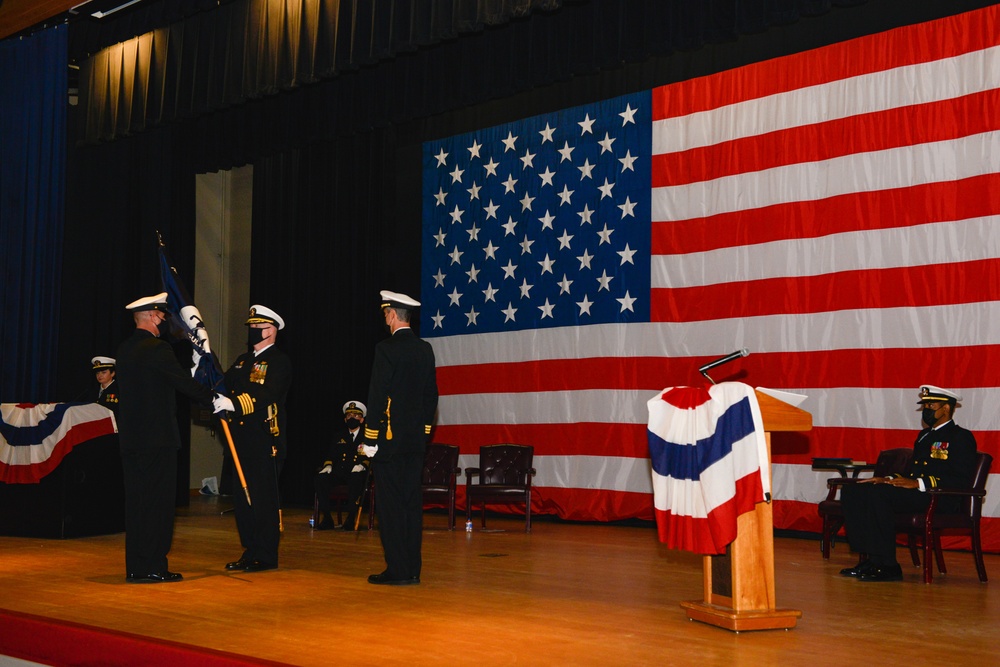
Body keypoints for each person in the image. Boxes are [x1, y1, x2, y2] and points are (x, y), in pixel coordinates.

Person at [115, 292, 214, 584]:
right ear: (148, 316)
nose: (162, 321)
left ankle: (137, 565)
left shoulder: (125, 349)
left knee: (137, 505)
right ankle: (154, 566)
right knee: (157, 506)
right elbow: (184, 384)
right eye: (160, 316)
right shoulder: (156, 349)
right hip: (157, 440)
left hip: (132, 440)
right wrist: (217, 397)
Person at [839, 384, 978, 582]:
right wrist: (887, 479)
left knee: (879, 496)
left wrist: (918, 483)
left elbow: (960, 478)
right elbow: (911, 471)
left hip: (939, 496)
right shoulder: (925, 436)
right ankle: (872, 558)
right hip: (918, 493)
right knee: (854, 490)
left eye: (931, 406)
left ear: (946, 408)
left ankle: (888, 565)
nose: (926, 410)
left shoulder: (961, 437)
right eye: (925, 406)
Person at [364, 290, 438, 585]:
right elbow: (431, 396)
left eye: (386, 315)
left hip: (389, 442)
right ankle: (413, 569)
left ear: (393, 315)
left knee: (391, 508)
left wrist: (370, 438)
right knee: (411, 506)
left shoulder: (386, 349)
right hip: (414, 444)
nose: (385, 320)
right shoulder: (425, 349)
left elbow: (377, 394)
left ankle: (397, 570)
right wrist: (422, 433)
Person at [213, 305, 292, 572]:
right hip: (239, 441)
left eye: (258, 327)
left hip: (264, 441)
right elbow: (223, 383)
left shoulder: (279, 361)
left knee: (262, 500)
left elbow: (266, 394)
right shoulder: (242, 360)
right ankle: (250, 550)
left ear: (271, 330)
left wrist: (234, 403)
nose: (253, 331)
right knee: (242, 500)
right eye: (251, 327)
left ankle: (266, 555)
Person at [314, 400, 375, 531]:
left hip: (358, 472)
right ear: (345, 419)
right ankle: (327, 519)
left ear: (362, 419)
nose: (352, 418)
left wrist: (363, 465)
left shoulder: (367, 436)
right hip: (340, 472)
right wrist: (328, 466)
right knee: (321, 479)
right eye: (349, 416)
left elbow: (372, 457)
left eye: (356, 415)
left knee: (356, 478)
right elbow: (330, 456)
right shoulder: (339, 436)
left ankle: (351, 519)